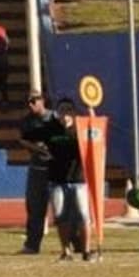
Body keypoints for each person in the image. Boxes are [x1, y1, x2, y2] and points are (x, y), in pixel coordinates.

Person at [44, 98, 98, 261]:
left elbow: (95, 131)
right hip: (57, 180)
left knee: (83, 216)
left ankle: (86, 251)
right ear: (57, 113)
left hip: (78, 179)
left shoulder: (80, 130)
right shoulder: (52, 131)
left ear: (74, 113)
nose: (65, 114)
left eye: (69, 110)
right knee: (61, 216)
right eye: (62, 110)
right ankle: (66, 251)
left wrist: (91, 111)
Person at [17, 93, 56, 254]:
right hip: (37, 169)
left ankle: (76, 244)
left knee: (64, 208)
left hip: (57, 169)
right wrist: (38, 148)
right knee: (35, 209)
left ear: (42, 101)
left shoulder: (55, 117)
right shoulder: (26, 121)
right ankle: (32, 245)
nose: (31, 104)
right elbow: (23, 140)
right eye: (29, 101)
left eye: (34, 101)